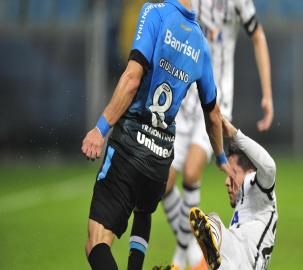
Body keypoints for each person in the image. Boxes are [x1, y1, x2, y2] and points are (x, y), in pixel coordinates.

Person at [81, 1, 234, 269]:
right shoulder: (200, 43)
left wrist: (100, 129)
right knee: (144, 211)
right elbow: (213, 114)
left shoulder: (155, 12)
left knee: (96, 242)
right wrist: (221, 157)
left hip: (129, 146)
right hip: (160, 160)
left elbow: (132, 79)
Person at [154, 0, 274, 268]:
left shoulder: (239, 3)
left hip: (214, 101)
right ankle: (190, 252)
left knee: (193, 172)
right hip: (185, 98)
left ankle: (188, 257)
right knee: (163, 183)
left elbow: (258, 37)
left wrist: (267, 93)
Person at [189, 118, 278, 270]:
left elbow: (269, 167)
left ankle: (210, 240)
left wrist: (235, 135)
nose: (227, 182)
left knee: (213, 222)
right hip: (237, 262)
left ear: (250, 173)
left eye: (233, 173)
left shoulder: (258, 191)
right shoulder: (244, 209)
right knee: (214, 225)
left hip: (246, 265)